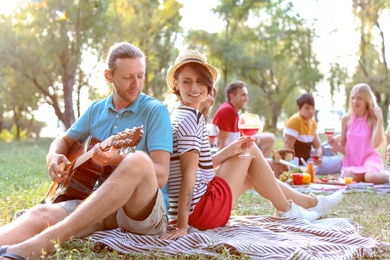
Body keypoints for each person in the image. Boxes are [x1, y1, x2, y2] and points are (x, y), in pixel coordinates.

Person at [0, 42, 173, 259]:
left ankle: (44, 242)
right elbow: (64, 139)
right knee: (39, 213)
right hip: (99, 205)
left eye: (140, 76)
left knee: (138, 160)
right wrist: (53, 156)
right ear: (109, 76)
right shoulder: (96, 109)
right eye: (128, 77)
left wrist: (116, 160)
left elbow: (161, 175)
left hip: (142, 212)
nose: (135, 84)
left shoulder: (155, 111)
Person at [161, 50, 343, 240]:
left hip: (195, 210)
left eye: (200, 81)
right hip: (202, 210)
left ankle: (311, 203)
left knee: (256, 173)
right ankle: (290, 211)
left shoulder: (178, 114)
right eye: (187, 81)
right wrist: (182, 225)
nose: (194, 87)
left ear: (208, 85)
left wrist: (231, 150)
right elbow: (188, 174)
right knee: (251, 149)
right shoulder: (193, 119)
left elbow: (198, 164)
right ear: (176, 84)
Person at [328, 83, 389, 184]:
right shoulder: (346, 119)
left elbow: (375, 144)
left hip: (370, 160)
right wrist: (334, 144)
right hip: (352, 163)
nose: (355, 101)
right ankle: (364, 176)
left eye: (359, 98)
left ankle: (386, 175)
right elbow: (344, 149)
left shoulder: (372, 119)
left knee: (370, 177)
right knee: (347, 176)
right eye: (353, 98)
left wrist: (380, 120)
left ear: (367, 100)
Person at [212, 80, 276, 158]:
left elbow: (240, 136)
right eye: (243, 95)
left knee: (270, 138)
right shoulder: (227, 110)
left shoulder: (235, 112)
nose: (247, 99)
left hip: (237, 150)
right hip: (232, 155)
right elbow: (221, 143)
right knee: (270, 139)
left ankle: (264, 162)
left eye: (247, 95)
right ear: (232, 96)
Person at [283, 93, 343, 175]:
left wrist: (318, 156)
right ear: (299, 108)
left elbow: (318, 147)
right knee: (342, 161)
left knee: (335, 141)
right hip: (304, 163)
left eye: (312, 108)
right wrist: (296, 171)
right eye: (307, 108)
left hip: (311, 156)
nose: (311, 111)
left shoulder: (312, 123)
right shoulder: (295, 121)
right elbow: (287, 150)